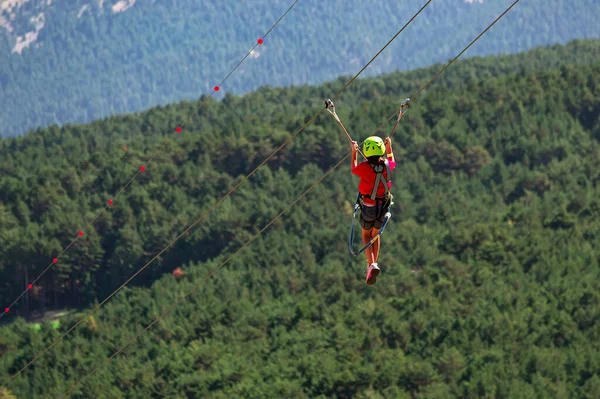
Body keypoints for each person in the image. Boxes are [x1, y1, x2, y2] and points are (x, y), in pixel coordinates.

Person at [351, 136, 396, 285]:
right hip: (383, 206)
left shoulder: (364, 168)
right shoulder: (387, 166)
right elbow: (392, 160)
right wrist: (389, 148)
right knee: (375, 235)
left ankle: (371, 264)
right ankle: (373, 263)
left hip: (369, 206)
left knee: (366, 234)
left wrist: (353, 152)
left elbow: (354, 168)